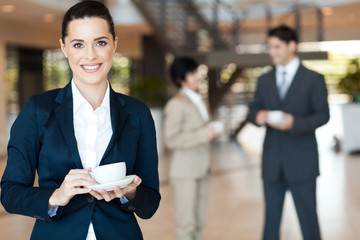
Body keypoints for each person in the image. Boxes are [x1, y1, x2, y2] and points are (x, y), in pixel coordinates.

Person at [0, 1, 160, 239]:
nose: (90, 55)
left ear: (114, 44)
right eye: (78, 44)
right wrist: (56, 195)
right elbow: (10, 193)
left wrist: (131, 193)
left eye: (101, 42)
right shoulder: (38, 109)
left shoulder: (137, 113)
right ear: (64, 47)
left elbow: (151, 202)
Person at [248, 25, 329, 240]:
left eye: (276, 46)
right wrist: (258, 116)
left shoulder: (313, 79)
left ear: (292, 46)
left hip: (302, 163)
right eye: (269, 47)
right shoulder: (264, 79)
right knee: (271, 224)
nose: (271, 52)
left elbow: (323, 115)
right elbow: (253, 110)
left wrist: (294, 123)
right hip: (272, 163)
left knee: (308, 221)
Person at [163, 57, 221, 240]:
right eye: (193, 73)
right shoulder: (176, 104)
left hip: (202, 169)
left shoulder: (200, 100)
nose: (198, 76)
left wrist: (210, 131)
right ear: (181, 78)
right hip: (185, 172)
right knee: (186, 224)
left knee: (199, 222)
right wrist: (203, 134)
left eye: (197, 71)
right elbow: (170, 139)